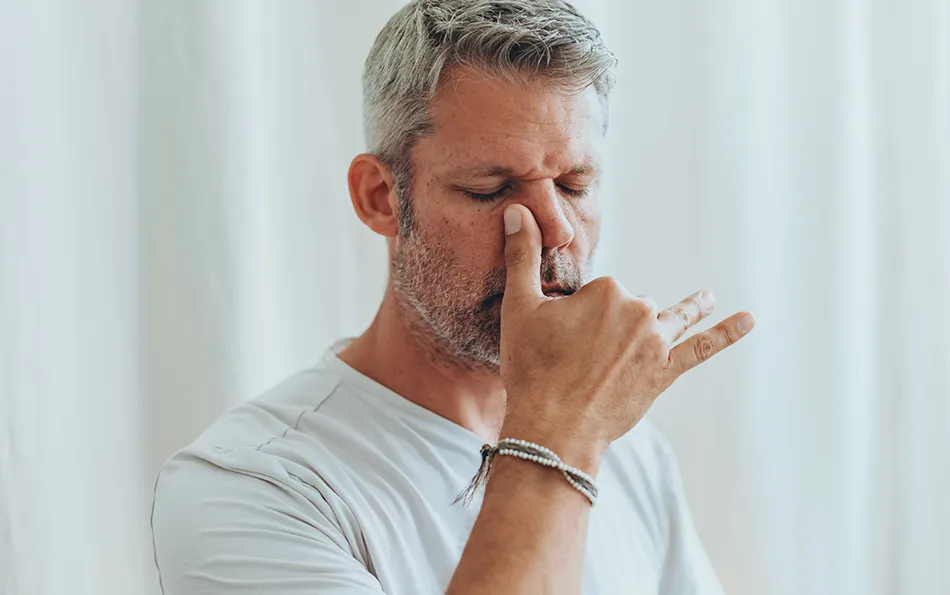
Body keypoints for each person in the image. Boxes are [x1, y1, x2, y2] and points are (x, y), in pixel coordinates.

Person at [150, 1, 756, 593]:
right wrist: (557, 437)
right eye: (490, 189)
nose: (556, 230)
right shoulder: (256, 486)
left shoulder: (626, 448)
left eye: (574, 184)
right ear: (380, 198)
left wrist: (576, 426)